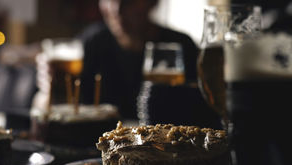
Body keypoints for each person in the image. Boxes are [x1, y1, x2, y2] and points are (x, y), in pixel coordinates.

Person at [34, 0, 199, 120]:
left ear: (153, 2)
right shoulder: (92, 42)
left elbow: (200, 115)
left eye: (128, 1)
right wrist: (48, 90)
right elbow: (52, 111)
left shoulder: (181, 46)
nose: (116, 9)